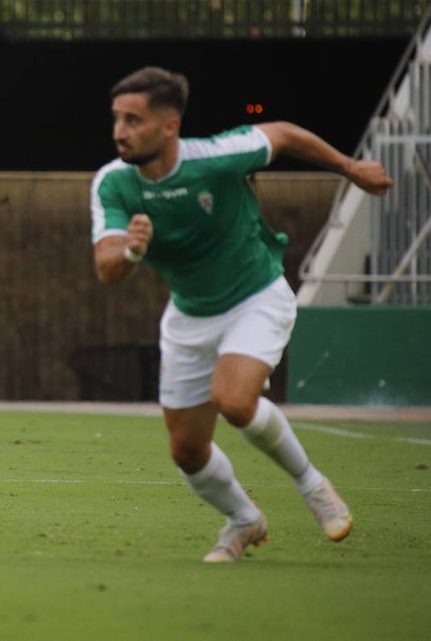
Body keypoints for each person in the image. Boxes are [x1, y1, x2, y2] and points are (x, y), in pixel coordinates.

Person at [90, 66, 393, 562]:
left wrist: (352, 169)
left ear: (170, 126)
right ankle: (245, 520)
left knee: (234, 400)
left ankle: (312, 485)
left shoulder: (216, 156)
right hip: (188, 317)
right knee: (186, 451)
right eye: (116, 118)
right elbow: (106, 268)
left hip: (256, 295)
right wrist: (131, 252)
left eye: (133, 120)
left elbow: (287, 134)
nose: (119, 131)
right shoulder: (113, 184)